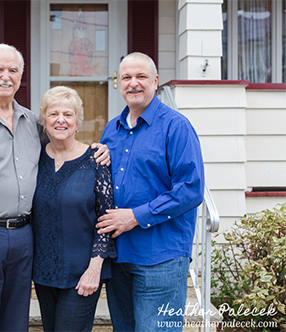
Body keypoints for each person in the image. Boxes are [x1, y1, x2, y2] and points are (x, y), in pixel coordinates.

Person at [0, 44, 109, 331]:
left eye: (13, 70)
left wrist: (99, 149)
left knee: (15, 324)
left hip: (23, 240)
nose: (6, 76)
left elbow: (64, 141)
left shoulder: (32, 122)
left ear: (21, 76)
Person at [96, 52, 204, 332]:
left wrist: (136, 216)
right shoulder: (112, 130)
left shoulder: (176, 127)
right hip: (119, 256)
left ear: (155, 82)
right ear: (119, 84)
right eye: (127, 77)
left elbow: (190, 189)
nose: (134, 83)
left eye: (141, 76)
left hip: (161, 256)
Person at [31, 86, 115, 332]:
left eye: (68, 114)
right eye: (53, 113)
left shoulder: (96, 161)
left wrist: (94, 268)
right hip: (44, 273)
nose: (61, 120)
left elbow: (106, 219)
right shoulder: (34, 159)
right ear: (44, 122)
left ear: (78, 122)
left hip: (82, 273)